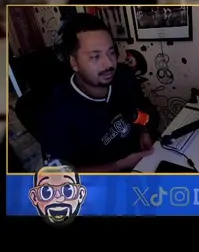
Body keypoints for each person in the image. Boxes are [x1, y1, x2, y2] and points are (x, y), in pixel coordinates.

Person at [40, 13, 158, 173]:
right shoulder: (56, 112)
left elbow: (140, 110)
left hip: (143, 161)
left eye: (111, 52)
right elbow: (61, 173)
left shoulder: (124, 76)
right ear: (74, 62)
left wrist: (144, 132)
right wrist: (120, 165)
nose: (109, 64)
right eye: (95, 56)